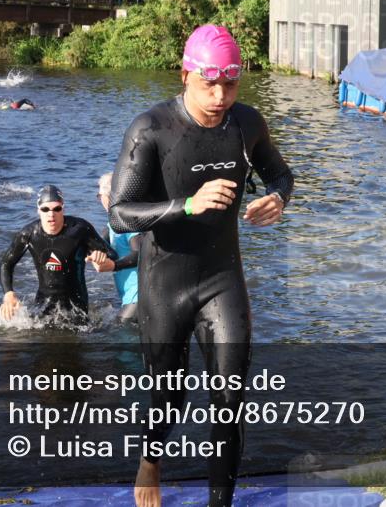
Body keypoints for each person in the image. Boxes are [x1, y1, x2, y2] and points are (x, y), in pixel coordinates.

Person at [109, 25, 294, 507]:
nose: (219, 97)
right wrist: (186, 206)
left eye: (230, 85)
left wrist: (277, 198)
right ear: (185, 75)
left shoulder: (246, 124)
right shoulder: (151, 128)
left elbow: (279, 171)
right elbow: (121, 212)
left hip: (221, 277)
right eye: (209, 85)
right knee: (167, 402)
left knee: (229, 404)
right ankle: (151, 461)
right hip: (164, 282)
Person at [0, 184, 117, 321]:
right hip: (43, 304)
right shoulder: (29, 233)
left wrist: (100, 258)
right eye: (45, 209)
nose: (51, 214)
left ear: (63, 208)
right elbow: (6, 263)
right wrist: (8, 294)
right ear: (38, 210)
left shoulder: (79, 229)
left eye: (56, 209)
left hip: (76, 306)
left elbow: (112, 255)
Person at [95, 172, 141, 320]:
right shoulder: (112, 225)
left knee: (120, 332)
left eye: (99, 195)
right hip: (130, 297)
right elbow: (96, 245)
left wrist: (113, 265)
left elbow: (139, 254)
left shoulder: (128, 222)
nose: (99, 199)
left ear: (108, 197)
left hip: (140, 296)